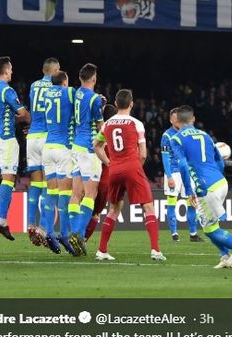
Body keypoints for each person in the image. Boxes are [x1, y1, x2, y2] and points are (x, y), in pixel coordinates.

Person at [170, 105, 232, 269]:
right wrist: (216, 176)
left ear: (177, 120)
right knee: (209, 224)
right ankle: (226, 256)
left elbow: (183, 166)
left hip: (206, 188)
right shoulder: (205, 135)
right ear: (193, 119)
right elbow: (220, 160)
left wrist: (189, 190)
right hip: (221, 182)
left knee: (211, 231)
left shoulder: (176, 139)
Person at [93, 90, 165, 261]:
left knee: (113, 209)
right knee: (148, 207)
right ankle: (155, 250)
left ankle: (102, 250)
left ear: (116, 104)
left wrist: (109, 162)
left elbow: (97, 145)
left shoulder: (107, 124)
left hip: (114, 169)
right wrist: (135, 168)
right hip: (132, 166)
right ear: (131, 104)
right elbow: (143, 154)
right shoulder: (137, 123)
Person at [0, 56, 31, 241]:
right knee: (9, 181)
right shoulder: (7, 90)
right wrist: (25, 115)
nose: (12, 72)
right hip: (6, 140)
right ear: (4, 70)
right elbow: (23, 114)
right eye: (10, 69)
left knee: (5, 182)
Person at [68, 63, 104, 255]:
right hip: (89, 150)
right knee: (91, 193)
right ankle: (79, 233)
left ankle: (74, 233)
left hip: (75, 147)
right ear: (94, 78)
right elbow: (101, 127)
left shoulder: (76, 94)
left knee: (76, 194)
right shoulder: (95, 98)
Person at [40, 70, 76, 255]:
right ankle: (63, 233)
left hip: (47, 148)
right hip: (63, 149)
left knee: (50, 192)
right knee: (65, 193)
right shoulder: (69, 92)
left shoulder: (46, 93)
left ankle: (48, 232)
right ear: (65, 81)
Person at [26, 57, 59, 246]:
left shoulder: (33, 86)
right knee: (50, 185)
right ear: (55, 71)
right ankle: (44, 228)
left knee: (35, 183)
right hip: (48, 137)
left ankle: (31, 223)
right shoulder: (54, 89)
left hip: (32, 137)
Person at [161, 107, 203, 242]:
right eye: (174, 118)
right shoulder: (167, 135)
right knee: (172, 203)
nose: (176, 120)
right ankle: (174, 234)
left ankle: (193, 234)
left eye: (178, 117)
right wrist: (169, 176)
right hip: (173, 172)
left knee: (191, 202)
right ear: (170, 120)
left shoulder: (187, 133)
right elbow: (165, 157)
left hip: (188, 172)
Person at [85, 104, 118, 243]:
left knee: (83, 206)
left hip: (89, 176)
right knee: (96, 214)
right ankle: (83, 239)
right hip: (105, 180)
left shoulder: (96, 134)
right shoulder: (116, 134)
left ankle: (75, 234)